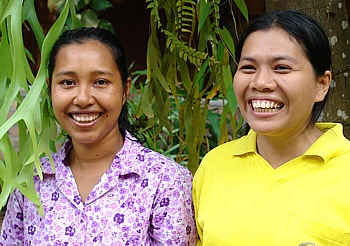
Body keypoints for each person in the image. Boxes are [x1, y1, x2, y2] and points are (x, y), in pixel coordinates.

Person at [0, 27, 197, 245]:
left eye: (100, 82)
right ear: (50, 90)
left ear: (125, 90)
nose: (83, 98)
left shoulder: (165, 181)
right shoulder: (31, 182)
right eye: (68, 82)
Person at [193, 10, 350, 245]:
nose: (261, 82)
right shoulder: (214, 164)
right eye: (248, 68)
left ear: (321, 84)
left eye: (282, 68)